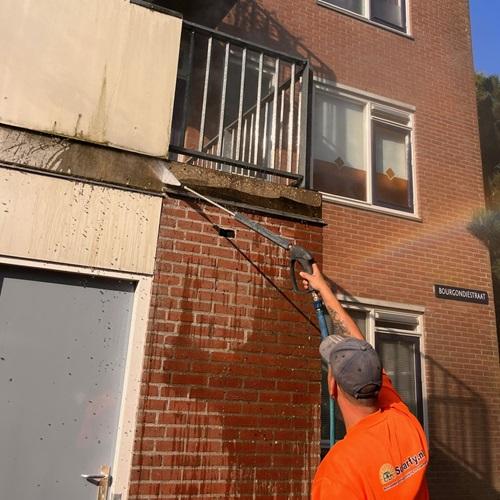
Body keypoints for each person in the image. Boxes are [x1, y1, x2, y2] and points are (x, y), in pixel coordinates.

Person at [300, 264, 429, 499]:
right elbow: (362, 349)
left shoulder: (337, 472)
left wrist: (324, 291)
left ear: (332, 384)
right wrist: (325, 290)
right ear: (378, 379)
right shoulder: (404, 423)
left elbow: (361, 348)